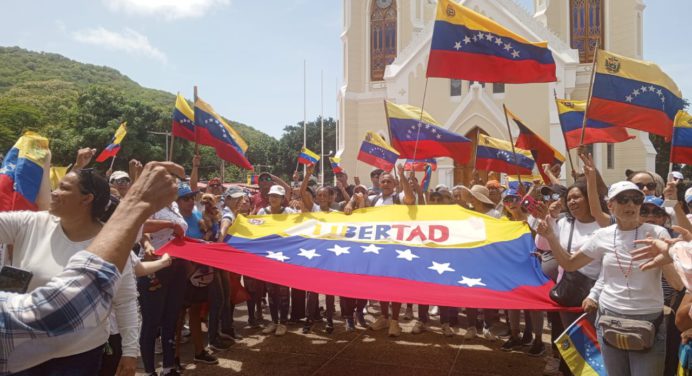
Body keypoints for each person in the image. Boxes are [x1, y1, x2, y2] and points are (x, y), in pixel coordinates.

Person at [0, 161, 182, 376]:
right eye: (56, 186)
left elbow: (125, 300)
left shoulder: (113, 244)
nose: (54, 193)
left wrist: (130, 353)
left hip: (78, 358)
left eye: (64, 188)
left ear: (87, 199)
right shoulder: (28, 224)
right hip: (23, 353)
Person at [537, 181, 670, 376]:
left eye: (636, 199)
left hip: (648, 321)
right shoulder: (602, 236)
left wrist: (667, 256)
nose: (631, 205)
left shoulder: (657, 233)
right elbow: (570, 264)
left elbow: (676, 283)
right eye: (623, 200)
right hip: (609, 319)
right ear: (611, 205)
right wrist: (551, 237)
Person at [344, 165, 415, 337]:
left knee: (396, 285)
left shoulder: (398, 197)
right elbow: (362, 211)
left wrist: (403, 176)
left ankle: (395, 322)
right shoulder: (375, 200)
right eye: (383, 181)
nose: (385, 184)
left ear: (395, 184)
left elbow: (410, 198)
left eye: (389, 181)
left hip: (397, 247)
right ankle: (384, 317)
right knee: (381, 284)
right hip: (379, 248)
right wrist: (350, 203)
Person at [299, 165, 338, 334]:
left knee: (330, 292)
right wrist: (307, 176)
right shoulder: (313, 209)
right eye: (319, 195)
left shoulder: (337, 214)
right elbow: (302, 193)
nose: (321, 197)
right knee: (312, 291)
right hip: (314, 255)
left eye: (324, 195)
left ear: (331, 198)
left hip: (330, 257)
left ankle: (330, 319)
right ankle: (309, 319)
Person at [257, 185, 298, 336]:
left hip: (284, 256)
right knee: (270, 290)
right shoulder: (262, 212)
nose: (273, 198)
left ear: (282, 199)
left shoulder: (289, 213)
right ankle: (274, 321)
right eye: (271, 195)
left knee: (283, 291)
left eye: (277, 196)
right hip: (268, 256)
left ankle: (283, 322)